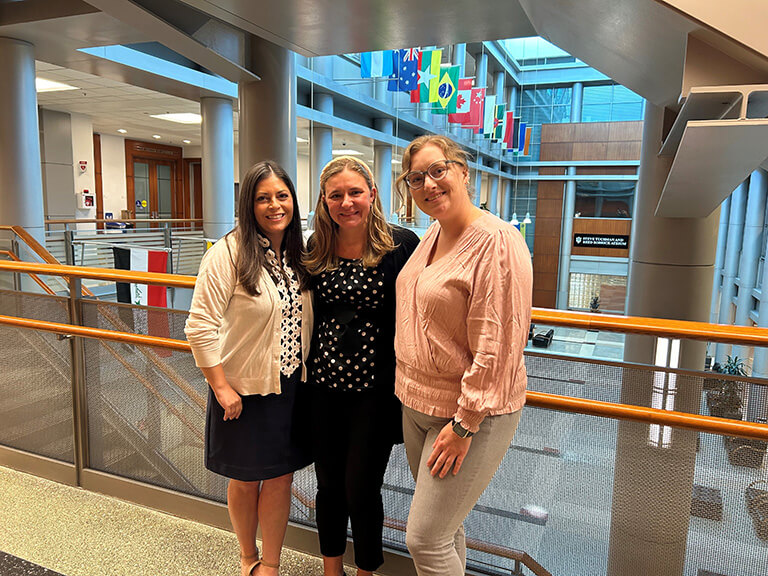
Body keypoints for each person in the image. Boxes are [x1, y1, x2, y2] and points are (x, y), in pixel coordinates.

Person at [394, 135, 533, 576]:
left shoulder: (497, 242)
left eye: (438, 170)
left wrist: (465, 423)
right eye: (417, 178)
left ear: (463, 172)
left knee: (425, 539)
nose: (429, 184)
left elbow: (499, 345)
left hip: (467, 414)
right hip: (416, 403)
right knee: (446, 530)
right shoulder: (432, 234)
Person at [184, 161, 313, 576]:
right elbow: (199, 325)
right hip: (241, 388)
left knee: (280, 479)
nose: (274, 205)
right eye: (263, 198)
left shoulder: (299, 253)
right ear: (248, 204)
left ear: (293, 200)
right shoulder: (228, 253)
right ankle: (247, 559)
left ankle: (270, 565)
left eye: (282, 196)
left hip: (289, 385)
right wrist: (220, 386)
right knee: (243, 479)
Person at [304, 156, 419, 576]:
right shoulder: (315, 249)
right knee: (329, 487)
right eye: (336, 195)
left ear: (372, 194)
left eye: (355, 192)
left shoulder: (401, 245)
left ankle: (366, 570)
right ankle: (331, 569)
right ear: (324, 200)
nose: (347, 202)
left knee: (362, 487)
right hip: (323, 389)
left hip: (374, 394)